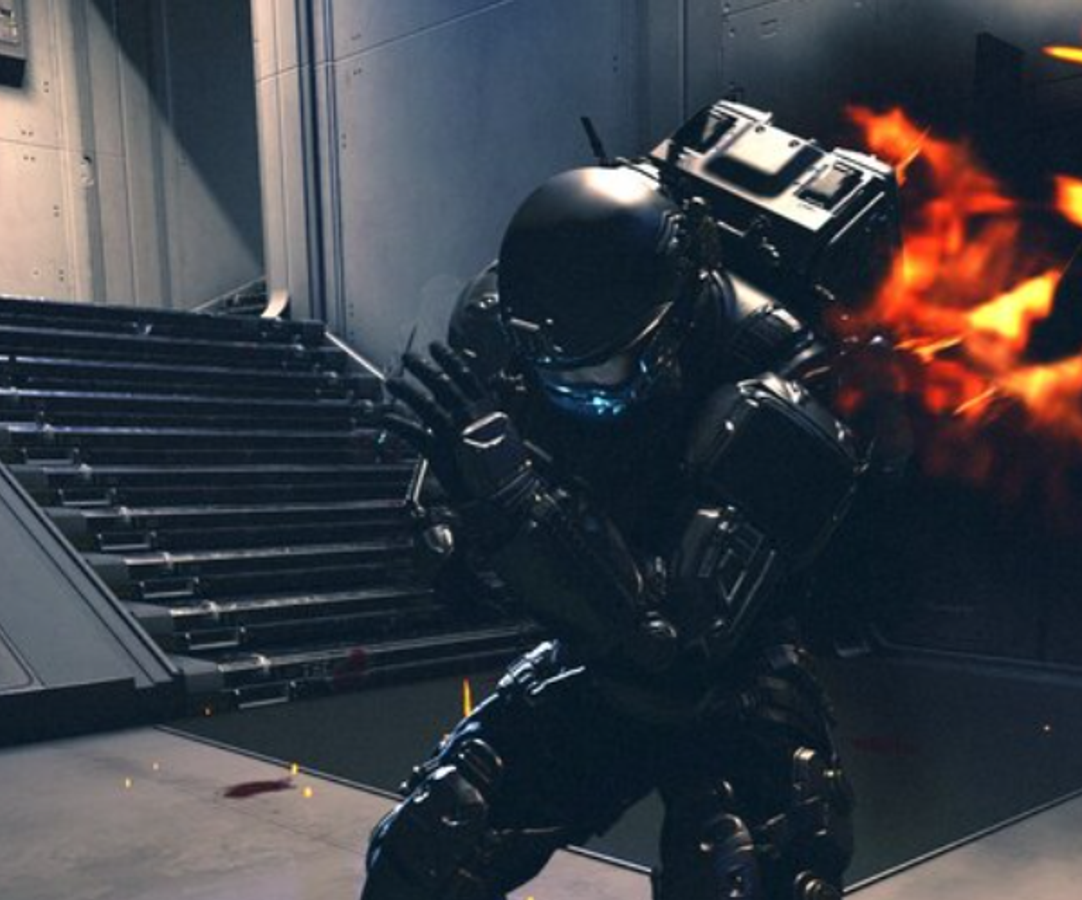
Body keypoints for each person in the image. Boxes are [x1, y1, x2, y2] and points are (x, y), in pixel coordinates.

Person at [365, 164, 868, 900]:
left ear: (670, 325)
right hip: (594, 654)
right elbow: (456, 536)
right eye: (553, 375)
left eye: (597, 373)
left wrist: (509, 498)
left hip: (732, 676)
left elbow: (674, 636)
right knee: (428, 850)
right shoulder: (512, 325)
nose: (574, 394)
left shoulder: (780, 372)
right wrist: (457, 520)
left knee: (750, 867)